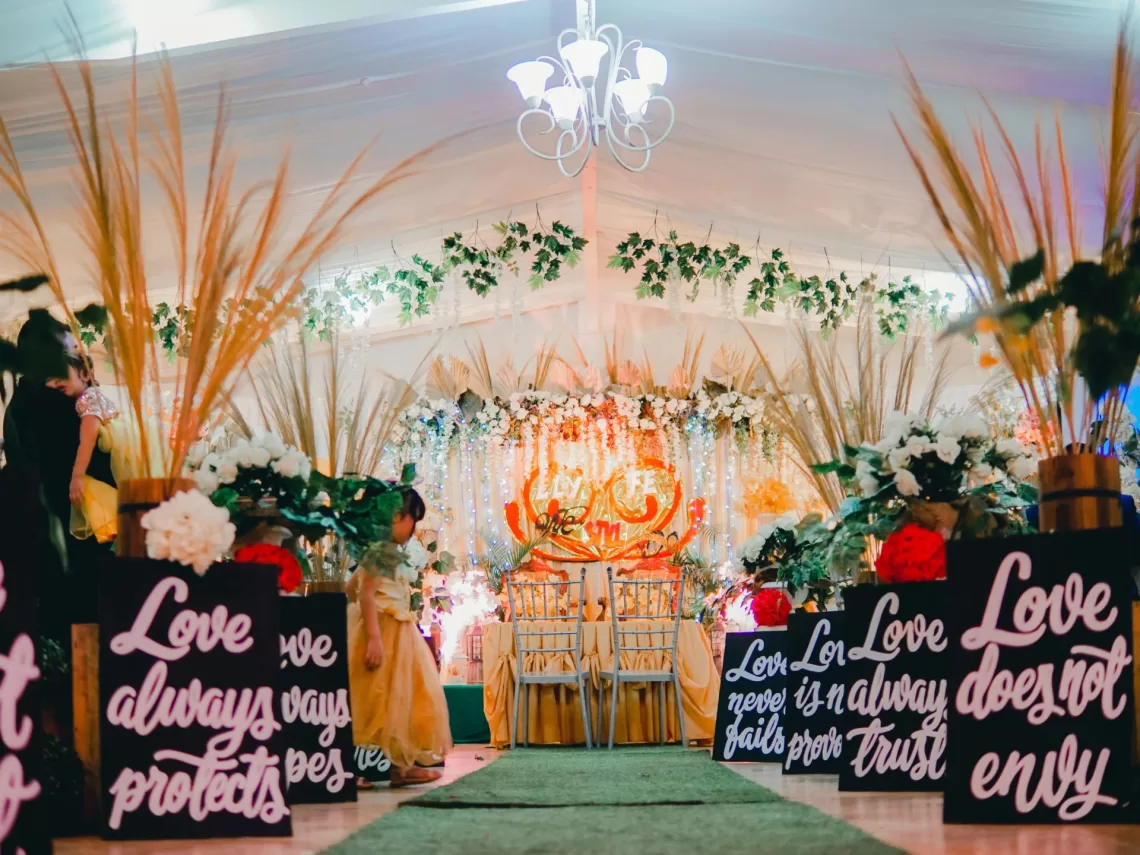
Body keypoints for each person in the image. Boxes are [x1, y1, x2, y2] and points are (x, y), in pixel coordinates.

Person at [346, 486, 452, 788]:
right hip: (384, 630)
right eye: (411, 521)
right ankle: (370, 769)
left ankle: (399, 765)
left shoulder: (381, 550)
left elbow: (351, 587)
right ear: (396, 516)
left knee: (395, 700)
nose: (413, 529)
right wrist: (374, 636)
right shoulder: (382, 549)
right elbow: (365, 594)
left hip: (396, 629)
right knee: (378, 699)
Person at [46, 350, 121, 544]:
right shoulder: (94, 395)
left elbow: (88, 437)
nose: (55, 382)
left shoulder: (87, 399)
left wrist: (77, 475)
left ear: (85, 374)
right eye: (50, 378)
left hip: (117, 455)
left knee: (87, 487)